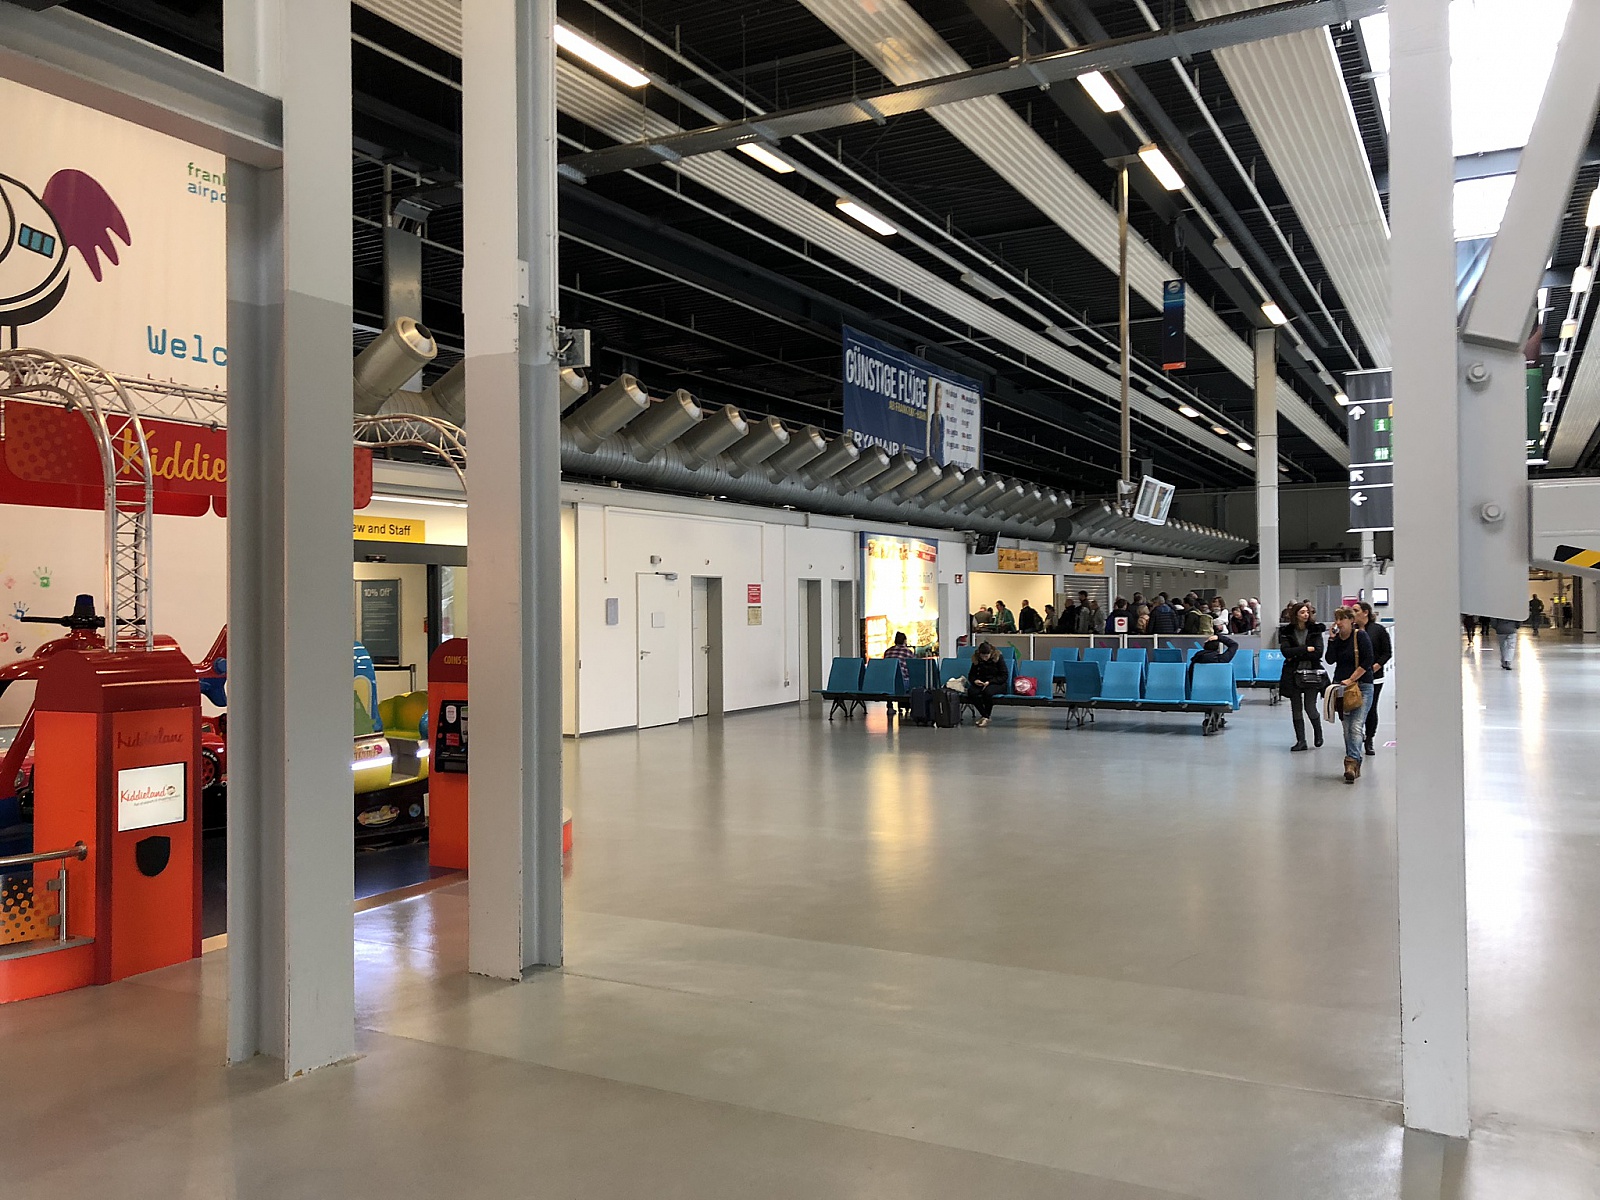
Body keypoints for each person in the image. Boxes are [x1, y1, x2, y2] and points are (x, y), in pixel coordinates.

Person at [1325, 606, 1375, 784]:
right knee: (1347, 727)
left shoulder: (1360, 636)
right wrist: (1331, 639)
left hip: (1362, 686)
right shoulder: (1337, 640)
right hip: (1342, 688)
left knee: (1356, 725)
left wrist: (1352, 679)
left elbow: (1367, 660)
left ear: (1351, 620)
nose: (1339, 623)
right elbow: (1330, 659)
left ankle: (1351, 763)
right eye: (1337, 619)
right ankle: (1355, 762)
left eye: (1342, 619)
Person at [1277, 600, 1325, 752]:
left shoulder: (1315, 630)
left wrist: (1296, 653)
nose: (1306, 615)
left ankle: (1318, 733)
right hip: (1293, 674)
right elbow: (1286, 652)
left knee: (1310, 707)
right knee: (1296, 708)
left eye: (1307, 612)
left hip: (1312, 673)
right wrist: (1306, 649)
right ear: (1295, 615)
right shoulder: (1286, 631)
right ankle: (1301, 741)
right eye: (1302, 612)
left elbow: (1318, 652)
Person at [1355, 602, 1391, 757]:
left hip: (1374, 676)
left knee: (1370, 707)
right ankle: (1356, 736)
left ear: (1365, 612)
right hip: (1354, 677)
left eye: (1356, 610)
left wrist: (1375, 667)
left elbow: (1387, 652)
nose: (1353, 613)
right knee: (1353, 708)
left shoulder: (1378, 630)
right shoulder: (1353, 631)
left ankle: (1369, 739)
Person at [966, 641, 1009, 727]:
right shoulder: (977, 659)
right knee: (971, 692)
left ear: (990, 653)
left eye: (986, 656)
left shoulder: (998, 658)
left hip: (997, 683)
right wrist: (975, 680)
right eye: (982, 656)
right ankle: (985, 715)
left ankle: (985, 716)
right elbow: (971, 674)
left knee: (987, 692)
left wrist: (990, 682)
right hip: (982, 682)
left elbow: (1004, 676)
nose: (984, 658)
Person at [882, 630, 916, 713]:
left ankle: (890, 707)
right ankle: (910, 707)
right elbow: (913, 668)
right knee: (910, 681)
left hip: (887, 682)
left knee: (891, 680)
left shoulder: (888, 651)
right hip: (902, 683)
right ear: (905, 641)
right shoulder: (908, 652)